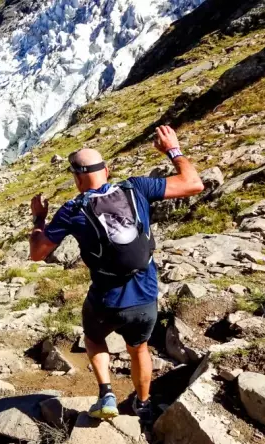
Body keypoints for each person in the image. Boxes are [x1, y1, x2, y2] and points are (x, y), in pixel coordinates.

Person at [28, 125, 205, 420]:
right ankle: (143, 403)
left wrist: (39, 218)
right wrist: (173, 150)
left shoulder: (71, 210)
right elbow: (193, 183)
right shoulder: (137, 188)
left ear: (77, 178)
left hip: (105, 301)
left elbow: (37, 253)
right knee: (139, 349)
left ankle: (106, 393)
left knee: (94, 338)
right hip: (145, 295)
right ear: (107, 171)